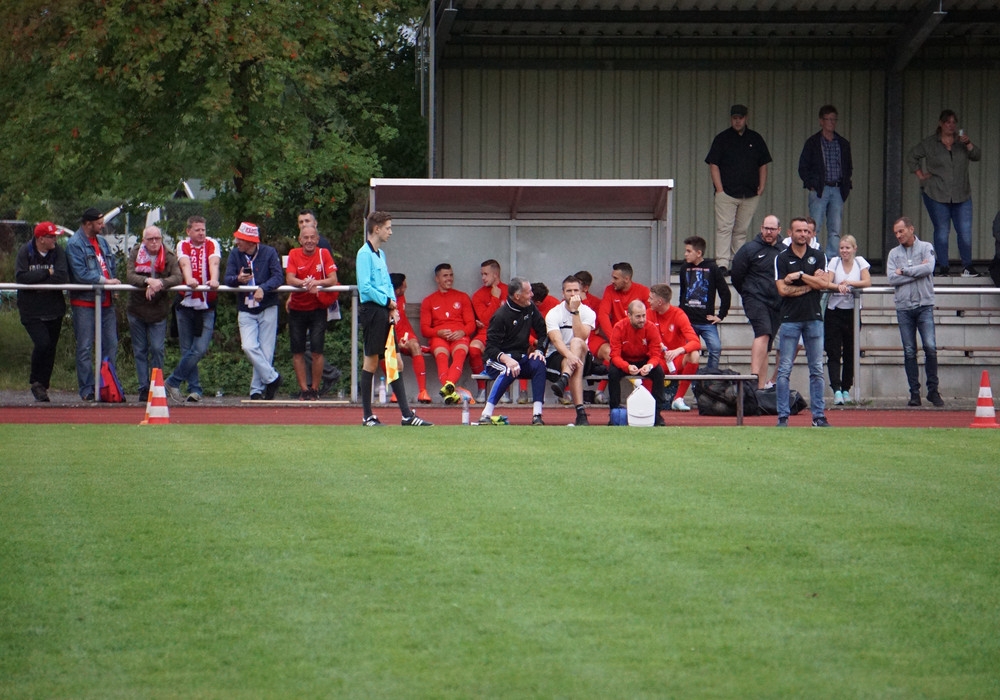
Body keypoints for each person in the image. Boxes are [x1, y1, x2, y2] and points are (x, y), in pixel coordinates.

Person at [356, 211, 432, 426]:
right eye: (388, 227)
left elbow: (387, 284)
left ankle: (407, 415)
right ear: (376, 228)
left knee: (394, 362)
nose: (390, 231)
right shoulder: (364, 254)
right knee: (371, 362)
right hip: (372, 312)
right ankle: (367, 415)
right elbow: (365, 288)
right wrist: (387, 302)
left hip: (384, 312)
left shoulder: (380, 254)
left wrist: (392, 306)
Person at [907, 109, 982, 277]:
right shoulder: (930, 143)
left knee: (965, 232)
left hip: (961, 193)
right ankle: (943, 267)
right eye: (948, 122)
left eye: (954, 122)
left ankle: (967, 266)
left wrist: (968, 143)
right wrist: (921, 176)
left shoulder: (961, 143)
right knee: (941, 231)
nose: (951, 125)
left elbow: (977, 155)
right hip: (937, 193)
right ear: (941, 124)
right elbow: (912, 155)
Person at [774, 217, 831, 427]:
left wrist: (799, 276)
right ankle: (782, 417)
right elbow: (782, 290)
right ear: (790, 233)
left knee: (816, 369)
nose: (803, 234)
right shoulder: (781, 258)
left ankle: (818, 416)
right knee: (784, 369)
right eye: (799, 231)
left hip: (814, 318)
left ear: (811, 234)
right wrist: (810, 283)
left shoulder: (818, 255)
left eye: (807, 231)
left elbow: (824, 283)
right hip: (790, 319)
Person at [705, 104, 773, 273]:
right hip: (726, 193)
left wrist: (761, 186)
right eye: (735, 118)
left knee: (741, 230)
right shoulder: (722, 138)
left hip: (749, 193)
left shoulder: (755, 138)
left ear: (746, 118)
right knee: (724, 228)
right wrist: (719, 189)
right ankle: (722, 263)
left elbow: (763, 164)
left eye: (740, 118)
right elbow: (713, 164)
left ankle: (738, 262)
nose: (737, 121)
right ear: (731, 119)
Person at [886, 216, 944, 407]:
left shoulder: (926, 247)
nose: (898, 235)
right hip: (903, 307)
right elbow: (891, 279)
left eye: (901, 231)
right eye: (896, 233)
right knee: (909, 351)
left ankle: (933, 391)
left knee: (930, 347)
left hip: (924, 304)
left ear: (911, 229)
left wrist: (904, 271)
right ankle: (914, 393)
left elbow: (929, 268)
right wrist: (915, 272)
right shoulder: (893, 253)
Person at [224, 222, 284, 400]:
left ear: (250, 242)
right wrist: (238, 279)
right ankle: (273, 378)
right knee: (248, 346)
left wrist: (263, 288)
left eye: (240, 239)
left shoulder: (269, 252)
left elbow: (278, 276)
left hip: (267, 306)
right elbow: (227, 279)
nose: (236, 243)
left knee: (266, 352)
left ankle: (256, 390)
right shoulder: (235, 254)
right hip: (245, 308)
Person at [477, 277, 549, 426]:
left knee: (539, 364)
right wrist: (506, 359)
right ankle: (486, 414)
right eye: (528, 292)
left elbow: (543, 332)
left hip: (521, 359)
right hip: (497, 361)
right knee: (509, 369)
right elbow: (490, 348)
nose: (532, 295)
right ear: (517, 296)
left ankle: (537, 415)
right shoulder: (500, 316)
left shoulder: (530, 308)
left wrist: (540, 351)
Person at [66, 207, 121, 401]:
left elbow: (110, 267)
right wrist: (106, 282)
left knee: (111, 344)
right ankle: (87, 388)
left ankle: (107, 385)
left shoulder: (103, 243)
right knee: (85, 346)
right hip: (85, 302)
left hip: (106, 302)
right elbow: (81, 274)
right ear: (88, 224)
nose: (102, 225)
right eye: (99, 223)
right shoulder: (75, 244)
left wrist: (113, 285)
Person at [165, 216, 221, 403]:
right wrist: (189, 279)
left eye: (203, 229)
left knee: (199, 349)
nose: (202, 233)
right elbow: (185, 264)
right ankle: (194, 389)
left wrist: (214, 279)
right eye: (197, 230)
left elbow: (214, 262)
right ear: (189, 231)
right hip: (185, 304)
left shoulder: (212, 243)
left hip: (206, 305)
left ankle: (172, 381)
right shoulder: (183, 245)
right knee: (187, 349)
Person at [125, 225, 182, 402]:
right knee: (140, 350)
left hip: (158, 311)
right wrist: (147, 281)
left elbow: (178, 277)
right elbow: (129, 275)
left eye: (157, 238)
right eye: (150, 239)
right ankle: (143, 387)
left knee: (157, 349)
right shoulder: (135, 253)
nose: (155, 242)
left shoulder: (169, 255)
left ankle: (155, 385)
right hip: (137, 309)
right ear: (144, 241)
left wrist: (160, 283)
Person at [15, 222, 69, 402]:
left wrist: (41, 279)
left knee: (51, 348)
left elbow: (62, 276)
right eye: (51, 237)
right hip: (31, 310)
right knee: (43, 343)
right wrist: (47, 272)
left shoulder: (58, 252)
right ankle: (35, 380)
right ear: (41, 239)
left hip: (54, 308)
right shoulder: (26, 252)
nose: (55, 240)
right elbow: (22, 277)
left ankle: (42, 386)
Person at [730, 214, 786, 389]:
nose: (768, 232)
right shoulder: (749, 249)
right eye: (766, 228)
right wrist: (749, 293)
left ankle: (760, 389)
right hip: (755, 299)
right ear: (761, 228)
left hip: (777, 302)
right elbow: (736, 275)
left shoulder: (784, 251)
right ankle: (754, 378)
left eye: (772, 229)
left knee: (767, 343)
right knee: (763, 333)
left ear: (779, 230)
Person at [285, 224, 339, 400]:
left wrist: (316, 283)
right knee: (298, 351)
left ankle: (314, 389)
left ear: (317, 239)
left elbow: (333, 280)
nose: (309, 241)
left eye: (312, 237)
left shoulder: (324, 254)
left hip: (317, 309)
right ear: (300, 240)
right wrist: (303, 284)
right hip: (297, 308)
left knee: (317, 351)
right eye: (305, 238)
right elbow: (290, 277)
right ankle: (304, 389)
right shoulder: (294, 254)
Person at [798, 105, 854, 260]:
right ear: (821, 121)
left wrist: (845, 186)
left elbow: (849, 167)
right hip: (819, 190)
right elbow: (803, 167)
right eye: (828, 119)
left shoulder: (842, 143)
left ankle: (830, 259)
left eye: (834, 119)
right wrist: (811, 184)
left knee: (835, 229)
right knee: (813, 227)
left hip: (837, 189)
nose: (831, 123)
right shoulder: (813, 143)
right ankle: (812, 257)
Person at [824, 234, 871, 405]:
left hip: (852, 313)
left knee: (851, 352)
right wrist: (838, 286)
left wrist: (850, 283)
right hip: (834, 312)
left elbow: (867, 281)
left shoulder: (860, 262)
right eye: (842, 248)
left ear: (854, 249)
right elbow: (827, 282)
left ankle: (846, 389)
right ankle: (836, 389)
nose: (845, 251)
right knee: (833, 352)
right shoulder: (834, 262)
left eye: (847, 248)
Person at [594, 262, 650, 402]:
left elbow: (649, 317)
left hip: (638, 341)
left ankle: (647, 396)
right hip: (617, 339)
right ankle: (606, 394)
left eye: (615, 278)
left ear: (627, 278)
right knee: (611, 353)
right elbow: (603, 315)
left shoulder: (642, 291)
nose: (612, 281)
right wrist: (614, 338)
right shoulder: (609, 290)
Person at [420, 262, 476, 404]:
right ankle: (453, 390)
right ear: (437, 279)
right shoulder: (428, 301)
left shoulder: (462, 297)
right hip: (439, 337)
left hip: (459, 336)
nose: (449, 278)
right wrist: (438, 332)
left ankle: (449, 389)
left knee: (460, 353)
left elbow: (471, 324)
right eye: (445, 276)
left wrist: (462, 332)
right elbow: (425, 329)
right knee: (441, 356)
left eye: (451, 275)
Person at [545, 275, 595, 426]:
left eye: (575, 291)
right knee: (574, 363)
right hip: (559, 355)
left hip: (583, 354)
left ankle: (565, 378)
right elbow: (556, 340)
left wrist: (575, 312)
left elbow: (581, 336)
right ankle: (581, 413)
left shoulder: (587, 312)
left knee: (576, 341)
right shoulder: (554, 313)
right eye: (569, 291)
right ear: (563, 293)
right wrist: (571, 357)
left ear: (581, 292)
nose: (573, 294)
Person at [607, 300, 668, 426]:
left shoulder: (651, 328)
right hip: (624, 360)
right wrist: (626, 366)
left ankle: (657, 414)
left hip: (644, 360)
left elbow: (656, 353)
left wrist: (649, 365)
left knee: (659, 372)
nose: (642, 319)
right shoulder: (619, 327)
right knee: (612, 372)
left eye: (644, 315)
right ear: (629, 315)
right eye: (638, 316)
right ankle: (614, 412)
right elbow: (614, 355)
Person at [677, 235, 731, 371]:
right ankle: (690, 380)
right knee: (690, 353)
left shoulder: (712, 268)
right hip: (688, 321)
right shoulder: (684, 268)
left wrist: (720, 315)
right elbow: (683, 292)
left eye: (689, 251)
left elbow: (725, 292)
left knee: (715, 348)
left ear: (699, 253)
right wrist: (680, 313)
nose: (685, 254)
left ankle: (710, 378)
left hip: (706, 321)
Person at [647, 284, 701, 412]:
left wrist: (678, 351)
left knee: (694, 355)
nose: (648, 301)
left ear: (659, 301)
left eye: (650, 298)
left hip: (674, 360)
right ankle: (648, 398)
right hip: (655, 360)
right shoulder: (648, 314)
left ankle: (678, 398)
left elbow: (696, 342)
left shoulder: (678, 314)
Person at [389, 273, 432, 404]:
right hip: (390, 335)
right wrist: (396, 342)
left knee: (414, 346)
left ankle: (423, 392)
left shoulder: (401, 296)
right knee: (387, 353)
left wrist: (406, 338)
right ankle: (395, 392)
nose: (406, 287)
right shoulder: (386, 300)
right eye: (404, 286)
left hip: (405, 333)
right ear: (396, 289)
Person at [470, 259, 508, 402]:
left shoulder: (510, 290)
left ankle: (504, 390)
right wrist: (495, 298)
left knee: (510, 349)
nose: (483, 278)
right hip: (485, 333)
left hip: (506, 333)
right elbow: (486, 320)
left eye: (486, 274)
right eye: (482, 274)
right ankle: (481, 388)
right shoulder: (478, 295)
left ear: (496, 274)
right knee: (473, 349)